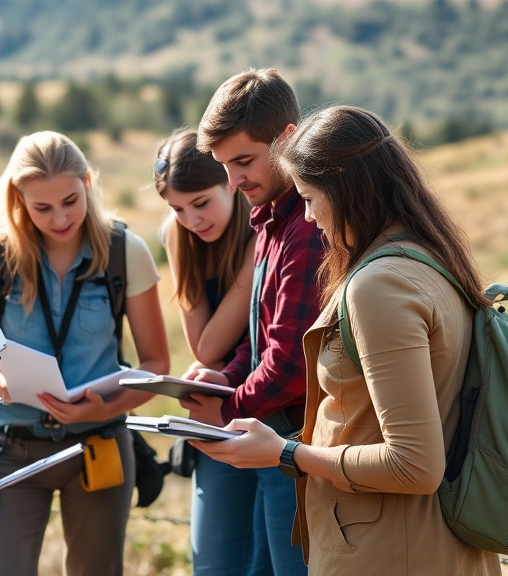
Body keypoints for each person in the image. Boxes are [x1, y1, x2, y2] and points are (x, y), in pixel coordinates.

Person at [191, 105, 501, 575]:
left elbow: (415, 463)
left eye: (311, 199)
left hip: (389, 550)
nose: (310, 218)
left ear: (346, 187)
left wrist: (283, 451)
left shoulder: (380, 285)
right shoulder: (428, 258)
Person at [0, 131, 170, 576]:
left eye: (71, 201)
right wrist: (4, 386)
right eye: (42, 207)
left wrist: (105, 405)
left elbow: (156, 367)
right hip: (12, 447)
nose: (60, 218)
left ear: (88, 183)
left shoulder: (124, 252)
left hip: (100, 444)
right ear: (18, 199)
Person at [184, 68, 324, 576]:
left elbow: (291, 364)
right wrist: (226, 377)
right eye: (224, 166)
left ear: (289, 138)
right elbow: (262, 337)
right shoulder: (267, 218)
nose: (233, 180)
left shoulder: (307, 229)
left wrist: (223, 412)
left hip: (299, 452)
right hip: (272, 442)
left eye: (243, 161)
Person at [153, 127, 261, 575]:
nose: (191, 220)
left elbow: (212, 346)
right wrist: (177, 237)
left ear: (230, 184)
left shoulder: (262, 233)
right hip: (218, 411)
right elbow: (203, 347)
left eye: (201, 203)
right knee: (214, 561)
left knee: (263, 560)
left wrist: (210, 359)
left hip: (272, 406)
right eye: (177, 209)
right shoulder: (178, 235)